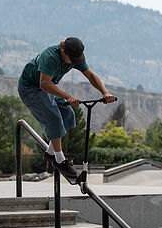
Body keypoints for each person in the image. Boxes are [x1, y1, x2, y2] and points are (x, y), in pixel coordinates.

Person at [18, 37, 116, 179]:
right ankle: (59, 160)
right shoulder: (50, 57)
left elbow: (91, 76)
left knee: (67, 113)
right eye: (71, 59)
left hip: (46, 88)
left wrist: (105, 92)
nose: (73, 63)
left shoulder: (75, 57)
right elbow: (44, 84)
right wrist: (68, 97)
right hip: (30, 89)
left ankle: (51, 152)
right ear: (62, 51)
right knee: (54, 118)